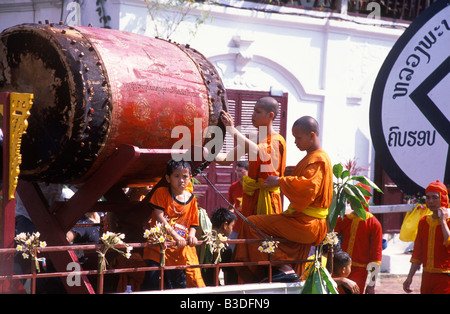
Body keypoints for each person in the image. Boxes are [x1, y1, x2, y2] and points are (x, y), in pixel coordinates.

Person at [233, 116, 333, 283]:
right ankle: (283, 270)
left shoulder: (318, 159)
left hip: (307, 223)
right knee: (275, 238)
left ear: (312, 135)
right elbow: (305, 180)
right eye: (294, 138)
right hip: (301, 220)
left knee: (252, 223)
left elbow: (309, 187)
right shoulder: (312, 157)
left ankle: (282, 268)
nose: (295, 142)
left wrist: (280, 181)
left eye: (298, 138)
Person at [215, 97, 286, 219]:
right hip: (251, 197)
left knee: (264, 236)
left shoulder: (276, 140)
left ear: (270, 115)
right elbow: (226, 158)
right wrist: (205, 153)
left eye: (257, 112)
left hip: (267, 199)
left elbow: (259, 151)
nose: (253, 115)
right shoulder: (253, 137)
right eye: (253, 111)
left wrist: (233, 131)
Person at [141, 160, 205, 290]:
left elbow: (193, 223)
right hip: (158, 250)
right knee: (153, 287)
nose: (181, 180)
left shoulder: (191, 199)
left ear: (190, 178)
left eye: (185, 176)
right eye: (176, 176)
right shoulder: (161, 192)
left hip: (178, 254)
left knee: (177, 289)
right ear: (168, 178)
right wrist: (175, 236)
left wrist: (192, 236)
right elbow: (159, 217)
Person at [334, 183, 383, 294]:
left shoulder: (374, 224)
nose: (352, 202)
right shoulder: (344, 219)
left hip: (360, 270)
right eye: (351, 197)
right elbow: (331, 236)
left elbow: (376, 256)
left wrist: (371, 285)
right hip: (339, 268)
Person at [403, 180, 450, 294]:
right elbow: (417, 252)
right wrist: (410, 277)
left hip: (445, 277)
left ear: (443, 199)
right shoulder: (424, 222)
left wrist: (443, 222)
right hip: (426, 276)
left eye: (435, 198)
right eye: (428, 198)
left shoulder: (448, 222)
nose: (430, 201)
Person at [203, 207, 238, 286]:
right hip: (212, 287)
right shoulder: (224, 246)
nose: (232, 229)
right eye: (232, 226)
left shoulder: (202, 239)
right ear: (225, 225)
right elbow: (229, 278)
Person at [227, 160, 248, 241]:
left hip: (252, 226)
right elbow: (230, 207)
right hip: (237, 227)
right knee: (230, 249)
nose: (238, 173)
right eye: (237, 171)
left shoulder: (254, 186)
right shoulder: (233, 187)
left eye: (241, 171)